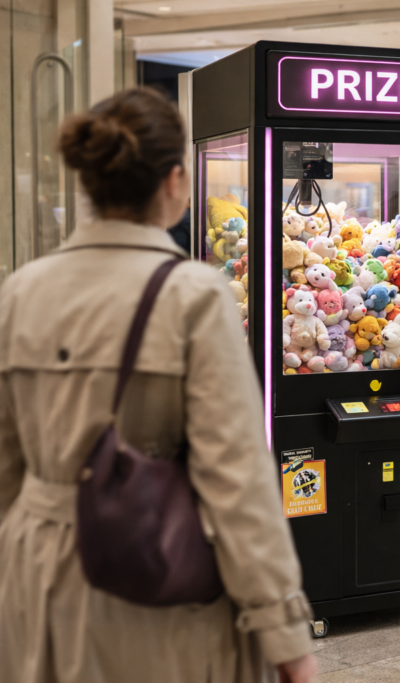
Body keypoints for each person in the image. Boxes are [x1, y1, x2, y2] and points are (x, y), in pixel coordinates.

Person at [0, 88, 316, 683]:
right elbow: (236, 480)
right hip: (150, 576)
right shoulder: (192, 294)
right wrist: (286, 634)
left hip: (33, 580)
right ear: (174, 182)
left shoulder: (21, 291)